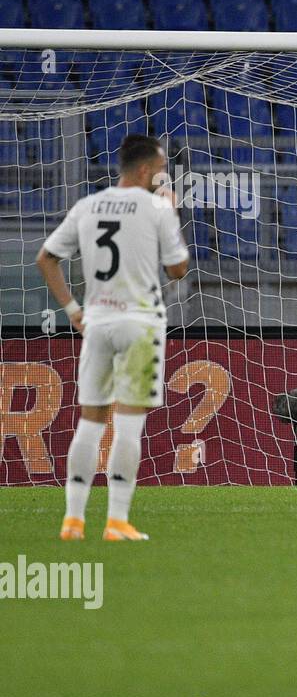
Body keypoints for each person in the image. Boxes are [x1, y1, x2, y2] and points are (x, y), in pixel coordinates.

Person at [35, 134, 190, 541]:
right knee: (128, 425)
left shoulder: (88, 206)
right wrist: (170, 213)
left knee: (89, 422)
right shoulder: (158, 208)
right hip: (140, 325)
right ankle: (117, 521)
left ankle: (72, 520)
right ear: (143, 170)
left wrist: (73, 310)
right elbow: (177, 271)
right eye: (159, 170)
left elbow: (46, 258)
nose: (161, 177)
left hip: (98, 323)